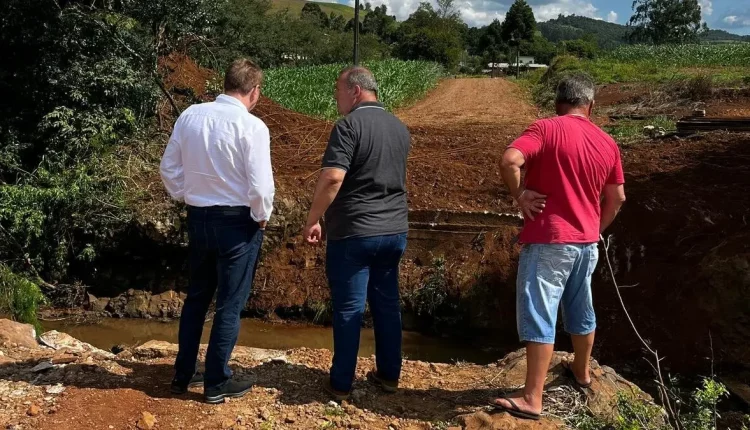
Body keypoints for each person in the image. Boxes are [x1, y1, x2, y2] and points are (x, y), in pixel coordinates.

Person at [492, 74, 626, 420]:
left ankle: (532, 398)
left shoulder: (545, 129)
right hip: (586, 244)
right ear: (590, 106)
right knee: (581, 307)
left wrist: (519, 194)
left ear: (557, 103)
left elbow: (509, 160)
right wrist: (594, 228)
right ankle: (581, 373)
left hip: (550, 240)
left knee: (540, 310)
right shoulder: (607, 142)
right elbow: (617, 198)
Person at [159, 58, 275, 404]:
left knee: (197, 297)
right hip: (238, 222)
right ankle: (215, 382)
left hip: (199, 218)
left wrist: (186, 195)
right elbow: (260, 186)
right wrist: (262, 215)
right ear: (254, 92)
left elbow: (169, 168)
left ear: (225, 83)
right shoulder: (253, 127)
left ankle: (182, 375)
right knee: (229, 302)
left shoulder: (190, 115)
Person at [302, 66, 411, 400]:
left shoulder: (348, 126)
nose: (335, 97)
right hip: (394, 231)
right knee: (387, 304)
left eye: (338, 90)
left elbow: (333, 177)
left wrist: (313, 218)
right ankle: (389, 375)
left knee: (349, 308)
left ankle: (341, 383)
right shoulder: (399, 128)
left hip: (355, 232)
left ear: (355, 91)